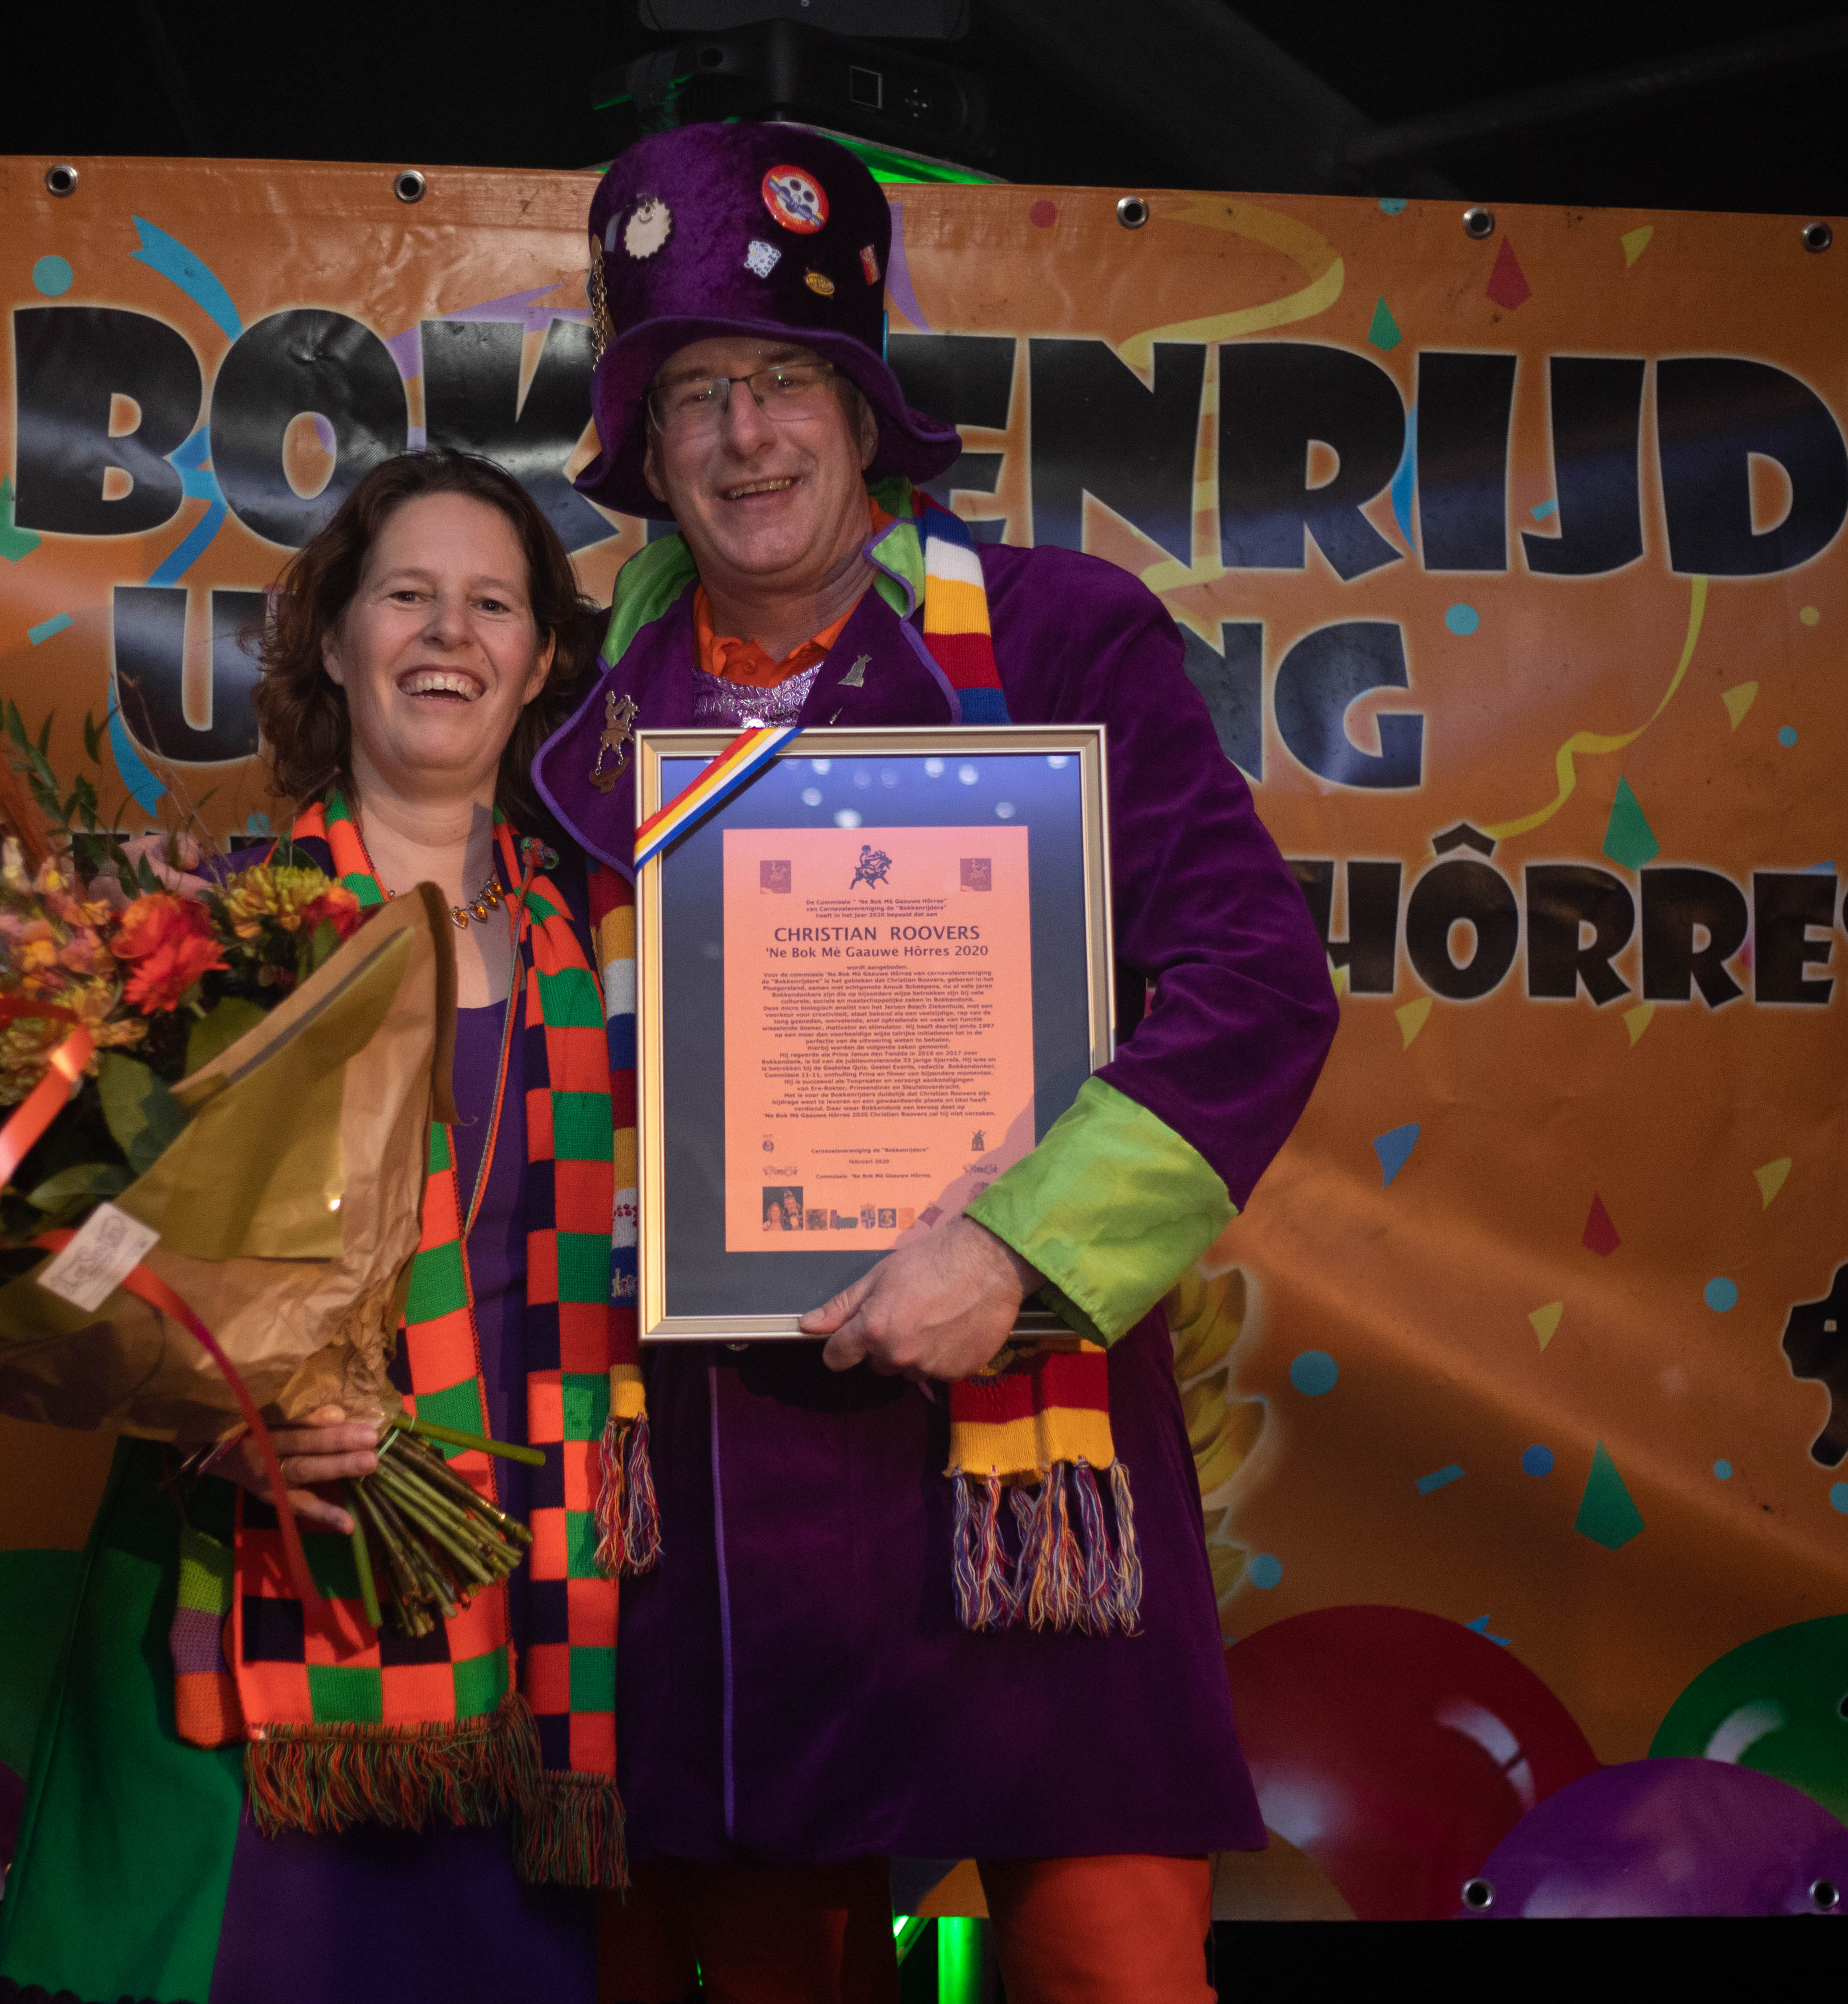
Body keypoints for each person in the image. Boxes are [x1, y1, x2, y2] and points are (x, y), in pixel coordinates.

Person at [529, 125, 1338, 2002]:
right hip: (712, 1484)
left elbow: (1256, 981)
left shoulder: (1061, 637)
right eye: (696, 393)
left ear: (865, 412)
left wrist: (1018, 1252)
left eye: (787, 380)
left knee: (1106, 1969)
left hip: (1021, 1455)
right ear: (646, 447)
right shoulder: (575, 729)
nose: (746, 436)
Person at [0, 450, 619, 2004]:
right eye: (406, 595)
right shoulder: (207, 937)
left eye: (493, 604)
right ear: (332, 639)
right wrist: (213, 1408)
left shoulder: (614, 951)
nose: (448, 633)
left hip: (526, 1613)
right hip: (242, 1592)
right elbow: (70, 1255)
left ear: (542, 662)